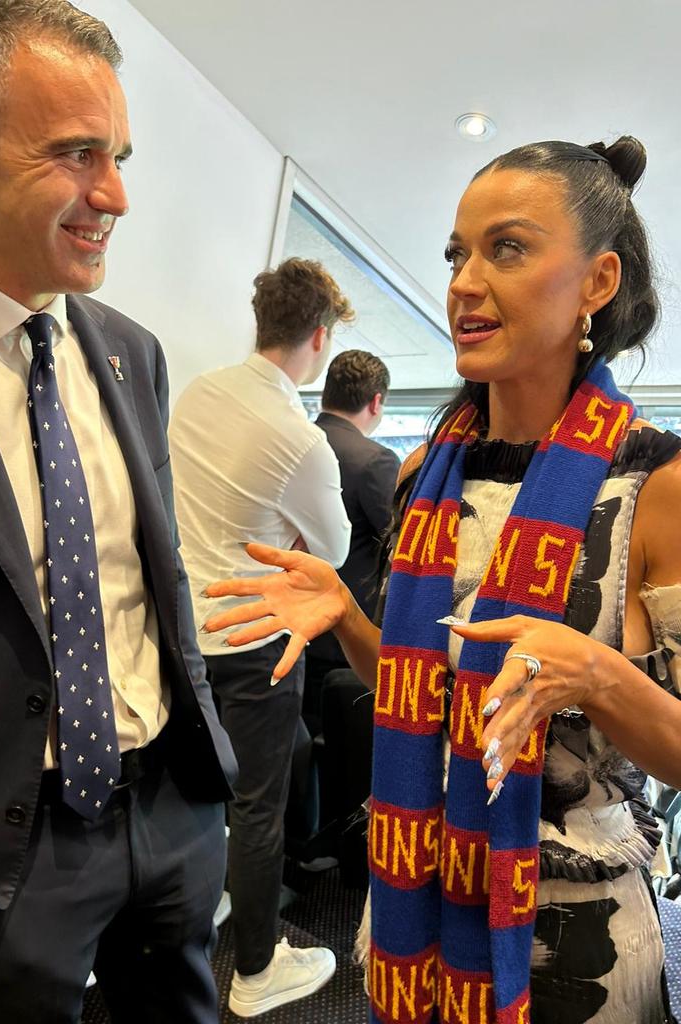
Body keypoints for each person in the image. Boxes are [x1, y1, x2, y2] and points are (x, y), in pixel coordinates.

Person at [204, 136, 681, 1024]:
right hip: (416, 899)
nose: (463, 280)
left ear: (597, 282)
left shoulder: (657, 486)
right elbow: (426, 686)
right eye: (457, 253)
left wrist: (596, 674)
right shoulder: (429, 469)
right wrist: (347, 614)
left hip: (577, 939)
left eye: (507, 247)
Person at [0, 3, 236, 1022]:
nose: (117, 195)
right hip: (2, 865)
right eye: (76, 155)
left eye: (121, 154)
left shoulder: (128, 350)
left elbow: (151, 579)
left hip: (171, 815)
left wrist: (199, 796)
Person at [169, 256, 353, 1017]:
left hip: (183, 633)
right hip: (255, 646)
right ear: (318, 336)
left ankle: (192, 935)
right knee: (257, 810)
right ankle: (253, 972)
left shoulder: (198, 393)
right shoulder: (298, 437)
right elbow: (335, 551)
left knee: (187, 803)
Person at [304, 350, 399, 725]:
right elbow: (401, 546)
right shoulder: (375, 460)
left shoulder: (292, 444)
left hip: (293, 625)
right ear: (376, 402)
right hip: (347, 639)